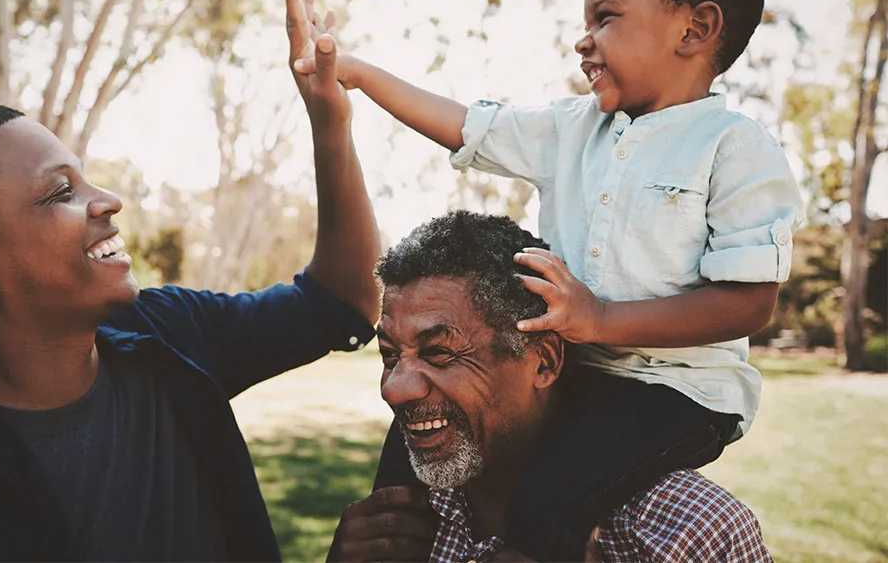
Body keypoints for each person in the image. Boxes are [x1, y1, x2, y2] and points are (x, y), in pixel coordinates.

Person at [291, 0, 804, 559]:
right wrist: (358, 75)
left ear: (695, 29)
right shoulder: (572, 128)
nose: (581, 41)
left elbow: (748, 302)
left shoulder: (736, 148)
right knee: (409, 442)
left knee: (553, 490)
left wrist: (601, 318)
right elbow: (465, 127)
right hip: (573, 374)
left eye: (606, 17)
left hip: (676, 394)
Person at [0, 0, 375, 561]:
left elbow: (341, 301)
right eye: (58, 193)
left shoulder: (169, 333)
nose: (108, 199)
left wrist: (330, 121)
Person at [327, 211, 772, 563]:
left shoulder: (689, 532)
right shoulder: (390, 527)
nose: (395, 390)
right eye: (389, 356)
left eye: (440, 353)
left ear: (544, 361)